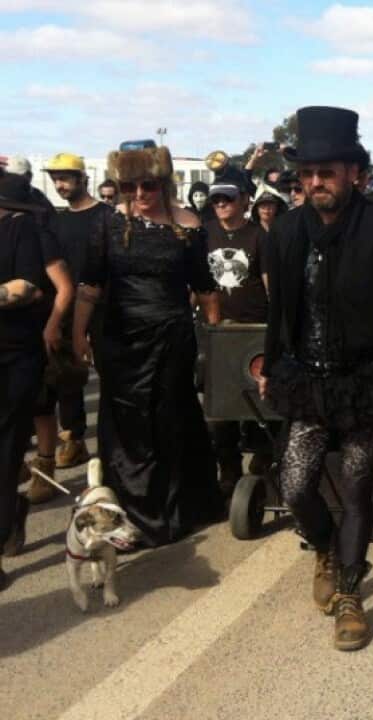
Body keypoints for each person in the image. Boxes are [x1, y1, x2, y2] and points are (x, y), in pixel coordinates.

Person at [262, 107, 373, 651]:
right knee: (295, 486)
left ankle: (350, 593)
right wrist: (270, 365)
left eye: (327, 172)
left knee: (359, 485)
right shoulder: (287, 229)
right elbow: (280, 312)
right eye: (308, 174)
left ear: (353, 173)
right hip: (305, 379)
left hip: (366, 378)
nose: (316, 183)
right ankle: (323, 548)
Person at [70, 143, 224, 549]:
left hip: (172, 339)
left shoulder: (188, 225)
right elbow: (89, 287)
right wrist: (75, 335)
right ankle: (129, 515)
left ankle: (174, 512)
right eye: (130, 186)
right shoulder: (106, 224)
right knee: (124, 425)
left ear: (163, 183)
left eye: (148, 185)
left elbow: (204, 288)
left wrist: (215, 337)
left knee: (169, 420)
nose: (139, 194)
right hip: (119, 342)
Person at [33, 154, 112, 482]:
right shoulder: (56, 221)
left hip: (105, 310)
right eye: (56, 179)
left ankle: (112, 449)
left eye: (66, 178)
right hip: (66, 309)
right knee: (67, 379)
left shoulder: (108, 216)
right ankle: (74, 437)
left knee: (111, 381)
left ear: (83, 178)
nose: (60, 185)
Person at [0, 175, 59, 586]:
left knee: (3, 452)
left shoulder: (22, 228)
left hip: (14, 357)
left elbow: (25, 289)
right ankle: (12, 510)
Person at [204, 180, 272, 496]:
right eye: (216, 199)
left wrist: (277, 328)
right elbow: (197, 285)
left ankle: (265, 454)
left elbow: (270, 284)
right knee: (220, 406)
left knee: (260, 399)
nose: (221, 204)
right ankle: (228, 470)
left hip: (254, 329)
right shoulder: (204, 233)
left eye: (227, 199)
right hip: (217, 331)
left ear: (243, 201)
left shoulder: (259, 236)